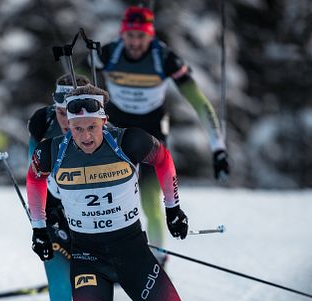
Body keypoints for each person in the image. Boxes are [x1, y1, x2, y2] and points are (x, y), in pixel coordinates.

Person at [26, 84, 268, 301]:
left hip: (133, 255)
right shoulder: (53, 151)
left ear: (103, 120)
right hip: (87, 260)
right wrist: (39, 226)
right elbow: (34, 178)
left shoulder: (128, 141)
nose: (84, 135)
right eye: (77, 128)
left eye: (91, 127)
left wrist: (173, 208)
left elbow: (164, 160)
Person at [27, 74, 140, 301]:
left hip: (95, 231)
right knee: (61, 293)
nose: (69, 122)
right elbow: (34, 177)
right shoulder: (42, 124)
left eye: (73, 115)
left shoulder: (95, 128)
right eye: (62, 114)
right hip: (56, 222)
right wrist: (40, 225)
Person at [94, 5, 229, 259]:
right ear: (123, 34)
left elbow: (200, 103)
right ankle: (107, 258)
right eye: (130, 36)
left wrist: (218, 148)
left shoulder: (164, 58)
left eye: (141, 36)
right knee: (109, 198)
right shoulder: (109, 53)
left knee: (150, 202)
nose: (135, 42)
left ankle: (158, 259)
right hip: (116, 130)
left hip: (152, 134)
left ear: (150, 35)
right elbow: (73, 82)